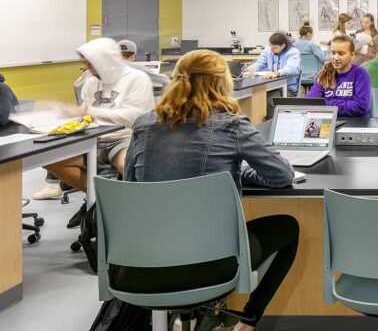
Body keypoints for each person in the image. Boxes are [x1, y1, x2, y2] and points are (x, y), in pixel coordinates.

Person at [123, 50, 298, 331]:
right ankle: (248, 320)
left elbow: (129, 186)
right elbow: (282, 174)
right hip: (211, 261)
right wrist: (239, 173)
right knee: (288, 227)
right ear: (221, 83)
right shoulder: (230, 123)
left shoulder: (143, 125)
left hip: (143, 261)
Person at [35, 38, 154, 198]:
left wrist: (87, 111)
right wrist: (62, 118)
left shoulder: (137, 78)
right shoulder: (91, 83)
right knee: (50, 161)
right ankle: (103, 196)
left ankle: (131, 206)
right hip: (92, 139)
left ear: (104, 62)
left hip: (125, 139)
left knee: (127, 165)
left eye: (90, 63)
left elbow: (136, 117)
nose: (86, 68)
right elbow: (86, 118)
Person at [306, 35, 371, 117]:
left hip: (356, 123)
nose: (335, 58)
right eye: (333, 53)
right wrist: (341, 104)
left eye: (341, 53)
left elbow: (360, 106)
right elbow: (310, 103)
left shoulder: (360, 73)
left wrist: (325, 103)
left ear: (352, 55)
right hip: (330, 121)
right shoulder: (324, 73)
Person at [250, 32, 301, 97]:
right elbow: (260, 63)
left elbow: (292, 68)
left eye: (275, 48)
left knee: (269, 99)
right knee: (256, 95)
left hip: (287, 89)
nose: (271, 50)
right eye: (270, 46)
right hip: (270, 87)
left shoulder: (293, 52)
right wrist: (252, 67)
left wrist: (277, 73)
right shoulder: (268, 50)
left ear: (283, 45)